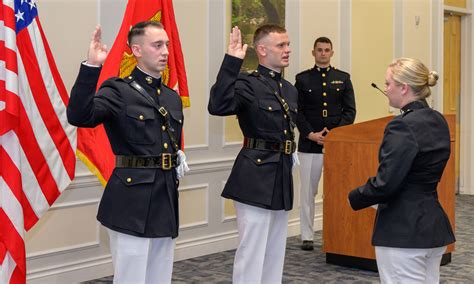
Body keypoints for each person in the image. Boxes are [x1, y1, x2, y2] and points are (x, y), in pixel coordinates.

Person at [67, 21, 188, 283]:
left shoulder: (170, 97)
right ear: (137, 50)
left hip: (165, 197)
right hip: (130, 199)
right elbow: (79, 115)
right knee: (131, 276)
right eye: (157, 45)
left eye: (167, 44)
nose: (165, 51)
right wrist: (91, 68)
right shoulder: (118, 91)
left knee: (160, 274)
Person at [348, 58, 455, 283]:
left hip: (403, 230)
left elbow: (387, 182)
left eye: (388, 84)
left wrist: (356, 196)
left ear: (404, 88)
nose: (386, 89)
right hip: (432, 225)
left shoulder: (402, 125)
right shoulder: (438, 120)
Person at [208, 25, 298, 283]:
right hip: (254, 175)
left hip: (281, 174)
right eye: (281, 45)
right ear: (261, 49)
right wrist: (232, 62)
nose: (287, 49)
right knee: (253, 250)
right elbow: (218, 105)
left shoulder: (289, 89)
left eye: (288, 44)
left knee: (275, 250)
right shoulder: (247, 83)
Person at [295, 37, 356, 250]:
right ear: (313, 52)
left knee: (336, 190)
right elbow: (297, 111)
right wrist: (310, 134)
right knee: (308, 191)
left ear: (332, 52)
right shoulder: (302, 80)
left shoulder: (343, 78)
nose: (323, 53)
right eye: (319, 50)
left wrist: (334, 134)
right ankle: (307, 236)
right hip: (310, 145)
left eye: (327, 50)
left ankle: (337, 232)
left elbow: (350, 111)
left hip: (335, 145)